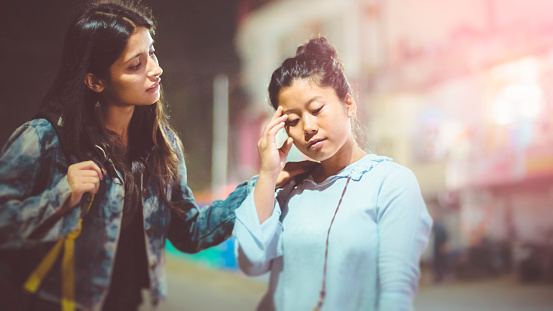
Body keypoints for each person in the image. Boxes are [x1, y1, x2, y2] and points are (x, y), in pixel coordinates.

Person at [0, 1, 306, 310]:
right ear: (95, 81)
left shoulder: (162, 146)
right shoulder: (45, 139)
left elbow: (191, 232)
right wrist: (63, 195)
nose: (155, 70)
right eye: (135, 65)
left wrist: (265, 181)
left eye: (152, 53)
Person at [233, 37, 433, 311]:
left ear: (349, 104)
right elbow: (252, 261)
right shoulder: (288, 190)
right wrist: (267, 176)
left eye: (316, 110)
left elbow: (395, 293)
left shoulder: (390, 183)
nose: (308, 127)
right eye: (292, 120)